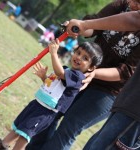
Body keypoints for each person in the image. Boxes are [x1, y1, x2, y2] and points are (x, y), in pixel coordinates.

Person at [26, 1, 140, 150]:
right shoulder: (120, 6)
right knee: (51, 111)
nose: (133, 4)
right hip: (80, 76)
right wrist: (79, 27)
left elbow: (126, 72)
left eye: (138, 3)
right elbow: (93, 26)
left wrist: (93, 73)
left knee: (69, 126)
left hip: (108, 90)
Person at [0, 39, 103, 150]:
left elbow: (60, 74)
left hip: (46, 112)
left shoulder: (77, 77)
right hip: (37, 104)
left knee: (25, 134)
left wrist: (54, 53)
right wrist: (44, 77)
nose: (79, 57)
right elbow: (51, 84)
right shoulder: (65, 69)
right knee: (19, 127)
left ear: (91, 68)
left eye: (85, 58)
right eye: (78, 53)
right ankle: (2, 144)